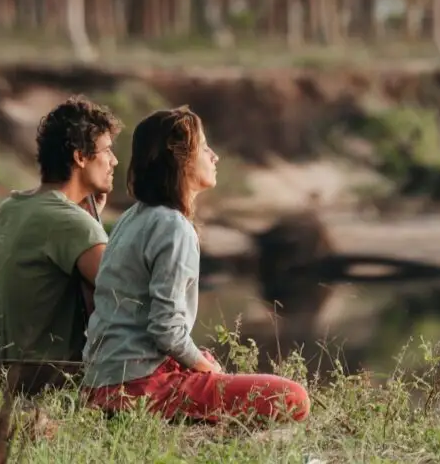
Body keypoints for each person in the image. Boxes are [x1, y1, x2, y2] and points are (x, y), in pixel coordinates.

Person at [82, 107, 311, 424]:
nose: (214, 156)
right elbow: (165, 329)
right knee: (292, 397)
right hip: (141, 386)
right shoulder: (173, 227)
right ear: (181, 159)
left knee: (204, 358)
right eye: (204, 147)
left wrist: (197, 360)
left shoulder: (132, 217)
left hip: (103, 382)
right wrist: (205, 368)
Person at [0, 95, 122, 393]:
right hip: (50, 387)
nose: (114, 161)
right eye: (106, 151)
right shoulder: (69, 222)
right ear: (80, 157)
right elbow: (128, 293)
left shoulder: (10, 207)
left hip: (2, 380)